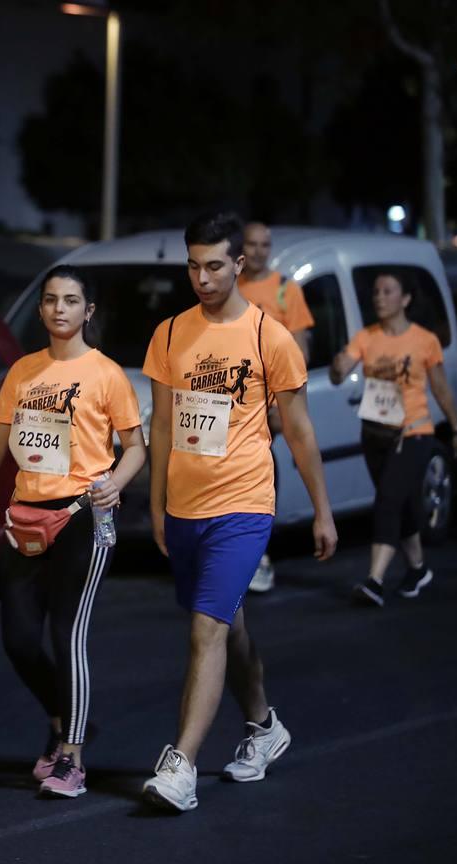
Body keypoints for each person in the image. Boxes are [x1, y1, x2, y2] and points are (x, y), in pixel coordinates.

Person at [140, 212, 337, 813]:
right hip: (185, 509)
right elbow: (165, 429)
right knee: (229, 622)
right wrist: (156, 509)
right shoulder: (170, 335)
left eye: (214, 266)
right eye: (194, 265)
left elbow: (299, 431)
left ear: (239, 265)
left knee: (206, 630)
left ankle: (181, 766)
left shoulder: (267, 336)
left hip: (245, 505)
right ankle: (264, 725)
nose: (202, 277)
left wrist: (323, 512)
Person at [0, 265, 146, 799]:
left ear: (88, 312)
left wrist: (115, 483)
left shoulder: (106, 373)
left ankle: (73, 758)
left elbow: (135, 447)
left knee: (68, 634)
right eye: (49, 300)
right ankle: (66, 717)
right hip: (24, 516)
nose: (58, 309)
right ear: (40, 310)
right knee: (17, 640)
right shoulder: (22, 372)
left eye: (70, 301)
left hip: (83, 513)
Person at [330, 271, 457, 606]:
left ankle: (375, 580)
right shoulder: (367, 336)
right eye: (376, 292)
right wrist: (337, 366)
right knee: (400, 504)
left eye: (388, 292)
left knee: (388, 500)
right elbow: (339, 373)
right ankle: (417, 569)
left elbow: (441, 388)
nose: (379, 298)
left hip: (413, 433)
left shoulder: (424, 340)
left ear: (404, 299)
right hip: (375, 433)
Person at [237, 221, 317, 594]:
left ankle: (260, 555)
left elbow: (299, 351)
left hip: (267, 403)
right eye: (251, 244)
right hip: (231, 403)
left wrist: (283, 404)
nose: (257, 251)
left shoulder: (285, 290)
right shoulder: (229, 286)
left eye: (264, 244)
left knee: (263, 473)